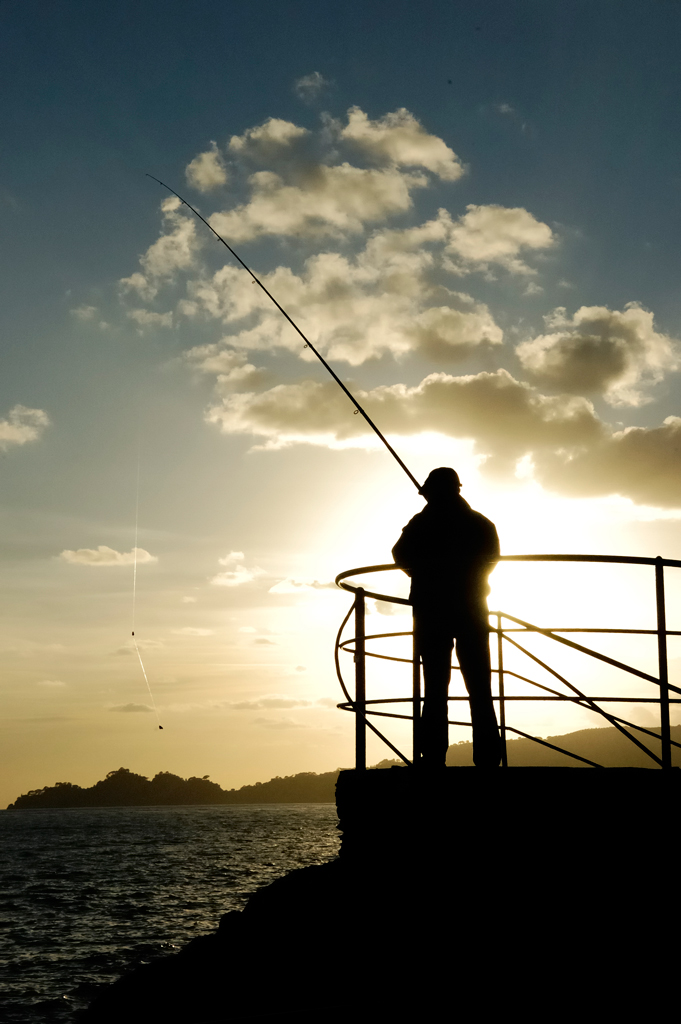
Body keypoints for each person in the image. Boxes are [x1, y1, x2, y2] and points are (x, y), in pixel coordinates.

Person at [392, 467, 501, 768]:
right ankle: (489, 758)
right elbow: (491, 560)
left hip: (432, 613)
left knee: (435, 688)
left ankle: (433, 757)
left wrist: (423, 576)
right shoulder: (480, 523)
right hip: (473, 612)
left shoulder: (423, 522)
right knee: (480, 688)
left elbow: (399, 553)